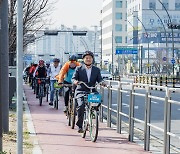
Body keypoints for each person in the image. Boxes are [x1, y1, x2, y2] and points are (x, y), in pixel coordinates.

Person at [72, 51, 106, 133]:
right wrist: (75, 81)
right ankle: (80, 126)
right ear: (83, 59)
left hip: (92, 90)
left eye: (90, 58)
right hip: (81, 90)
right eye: (86, 58)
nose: (88, 59)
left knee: (99, 100)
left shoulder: (96, 69)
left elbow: (99, 79)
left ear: (92, 59)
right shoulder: (79, 68)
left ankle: (93, 112)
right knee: (81, 106)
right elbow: (73, 78)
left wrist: (102, 83)